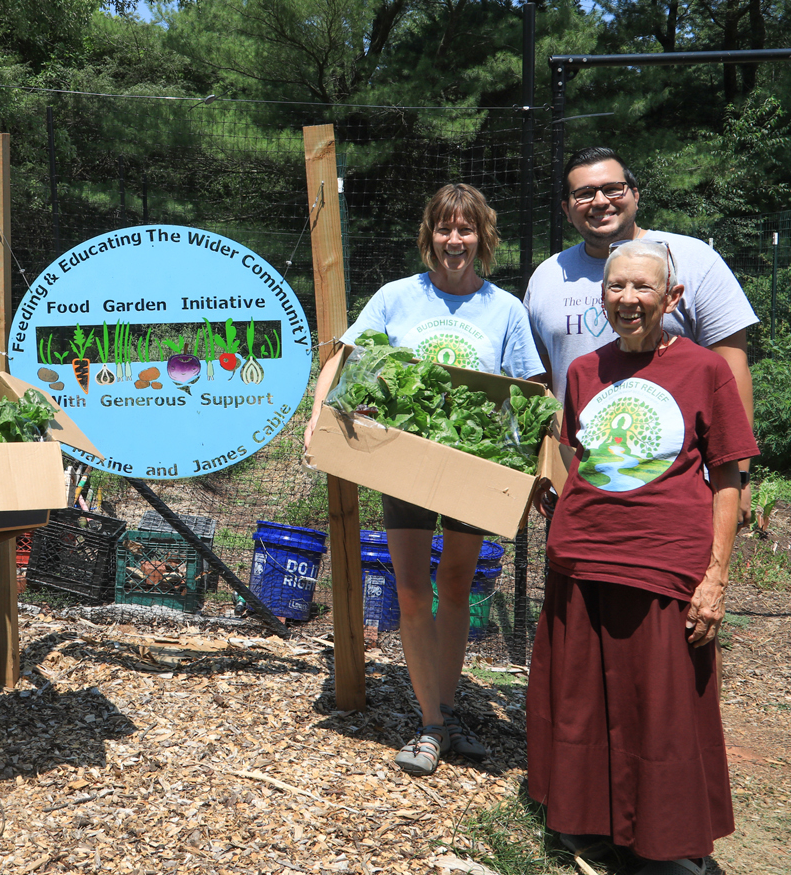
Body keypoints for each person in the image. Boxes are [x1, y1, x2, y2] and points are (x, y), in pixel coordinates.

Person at [527, 240, 757, 874]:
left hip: (663, 564)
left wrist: (715, 579)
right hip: (580, 559)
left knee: (662, 709)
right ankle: (591, 826)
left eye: (643, 288)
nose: (628, 299)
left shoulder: (704, 369)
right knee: (583, 703)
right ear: (601, 297)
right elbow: (582, 461)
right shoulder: (584, 372)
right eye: (616, 287)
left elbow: (729, 476)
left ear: (671, 298)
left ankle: (669, 844)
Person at [305, 183, 544, 776]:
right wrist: (325, 416)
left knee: (458, 586)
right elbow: (345, 360)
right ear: (429, 236)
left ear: (482, 237)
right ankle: (433, 722)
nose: (454, 240)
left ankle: (444, 707)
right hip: (404, 460)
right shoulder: (395, 298)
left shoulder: (504, 309)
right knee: (412, 589)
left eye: (466, 230)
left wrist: (539, 467)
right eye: (444, 229)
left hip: (472, 463)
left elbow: (532, 394)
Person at [524, 147, 757, 524]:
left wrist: (739, 475)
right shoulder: (547, 277)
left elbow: (733, 370)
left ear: (635, 194)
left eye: (612, 188)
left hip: (678, 488)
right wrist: (546, 469)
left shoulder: (693, 260)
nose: (599, 201)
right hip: (580, 488)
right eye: (583, 193)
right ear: (566, 209)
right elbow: (542, 386)